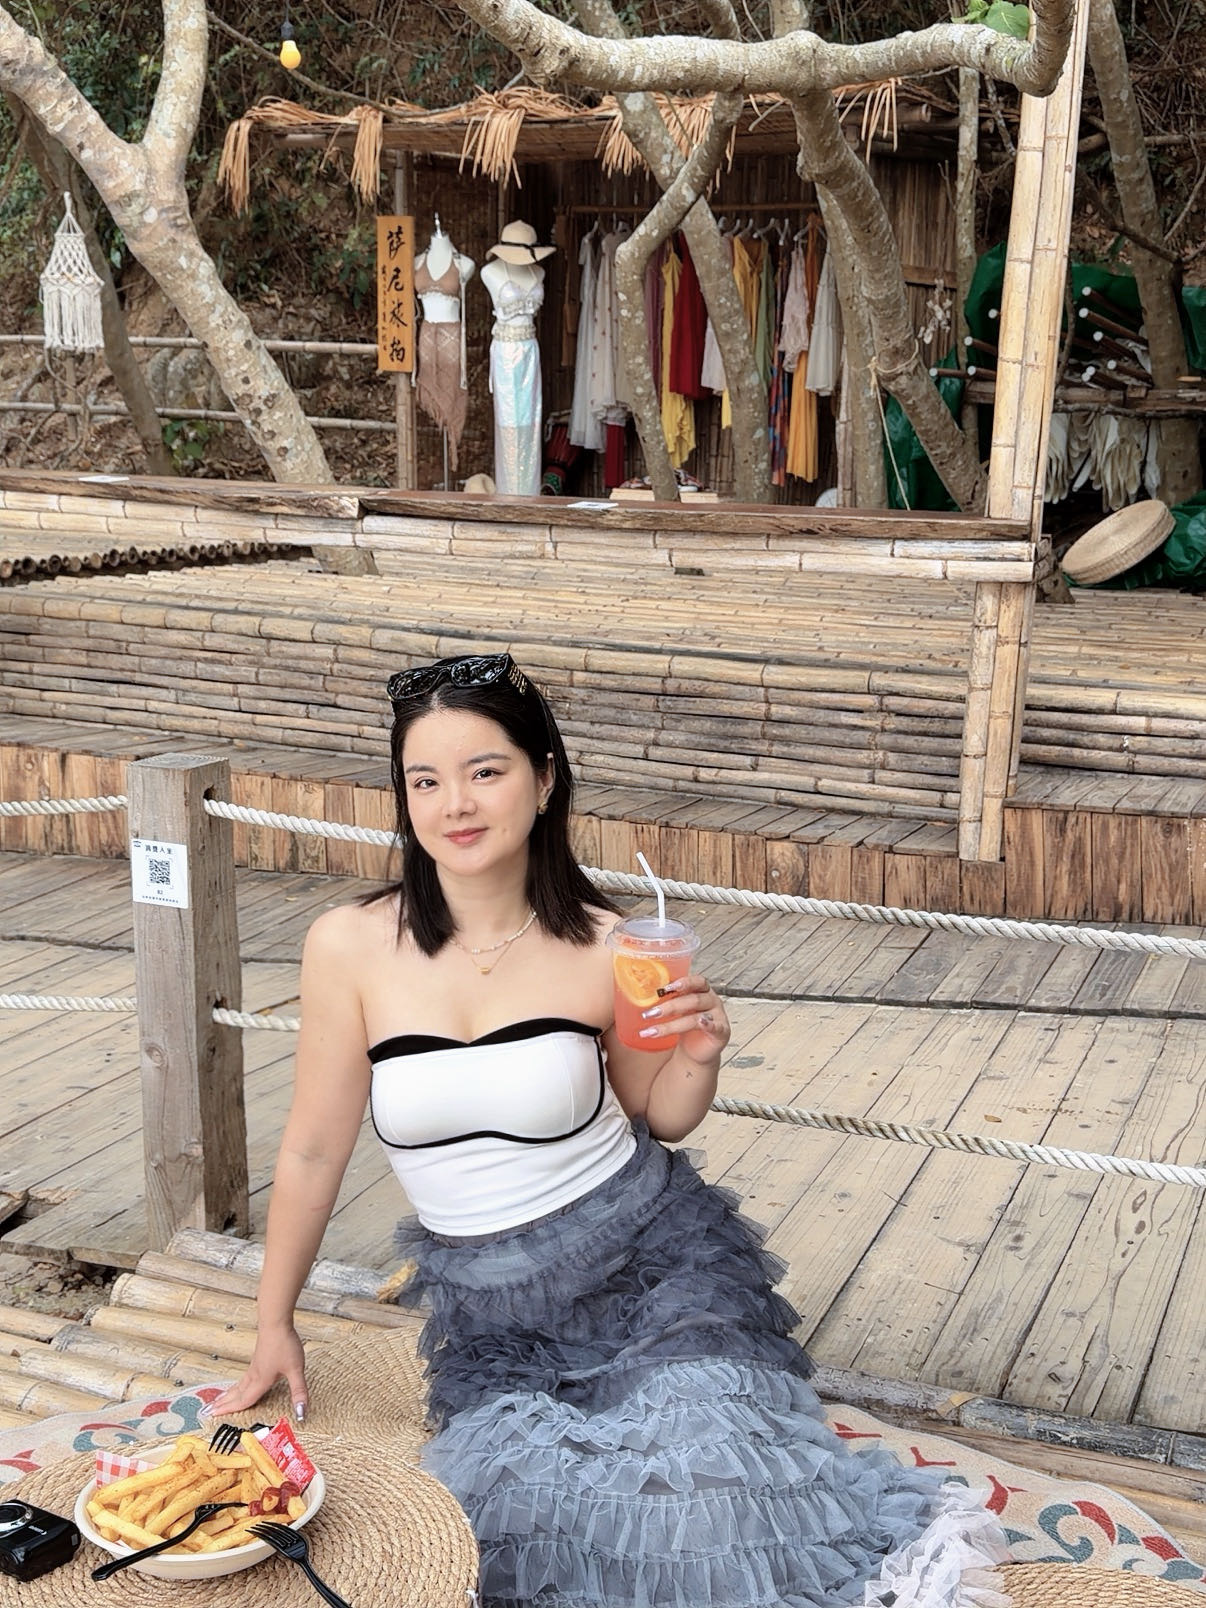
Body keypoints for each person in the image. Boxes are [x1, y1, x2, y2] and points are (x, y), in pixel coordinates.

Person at [212, 653, 1005, 1608]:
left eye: (486, 771)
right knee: (514, 1520)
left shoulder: (608, 944)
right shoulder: (350, 945)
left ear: (544, 779)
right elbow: (311, 1149)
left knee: (713, 1494)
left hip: (651, 1272)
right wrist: (274, 1322)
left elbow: (653, 1114)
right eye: (425, 780)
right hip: (497, 1317)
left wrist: (701, 1052)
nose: (455, 804)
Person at [481, 221, 553, 495]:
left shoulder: (538, 272)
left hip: (529, 350)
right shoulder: (490, 272)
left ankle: (529, 490)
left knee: (531, 419)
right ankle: (510, 490)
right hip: (506, 351)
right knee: (509, 420)